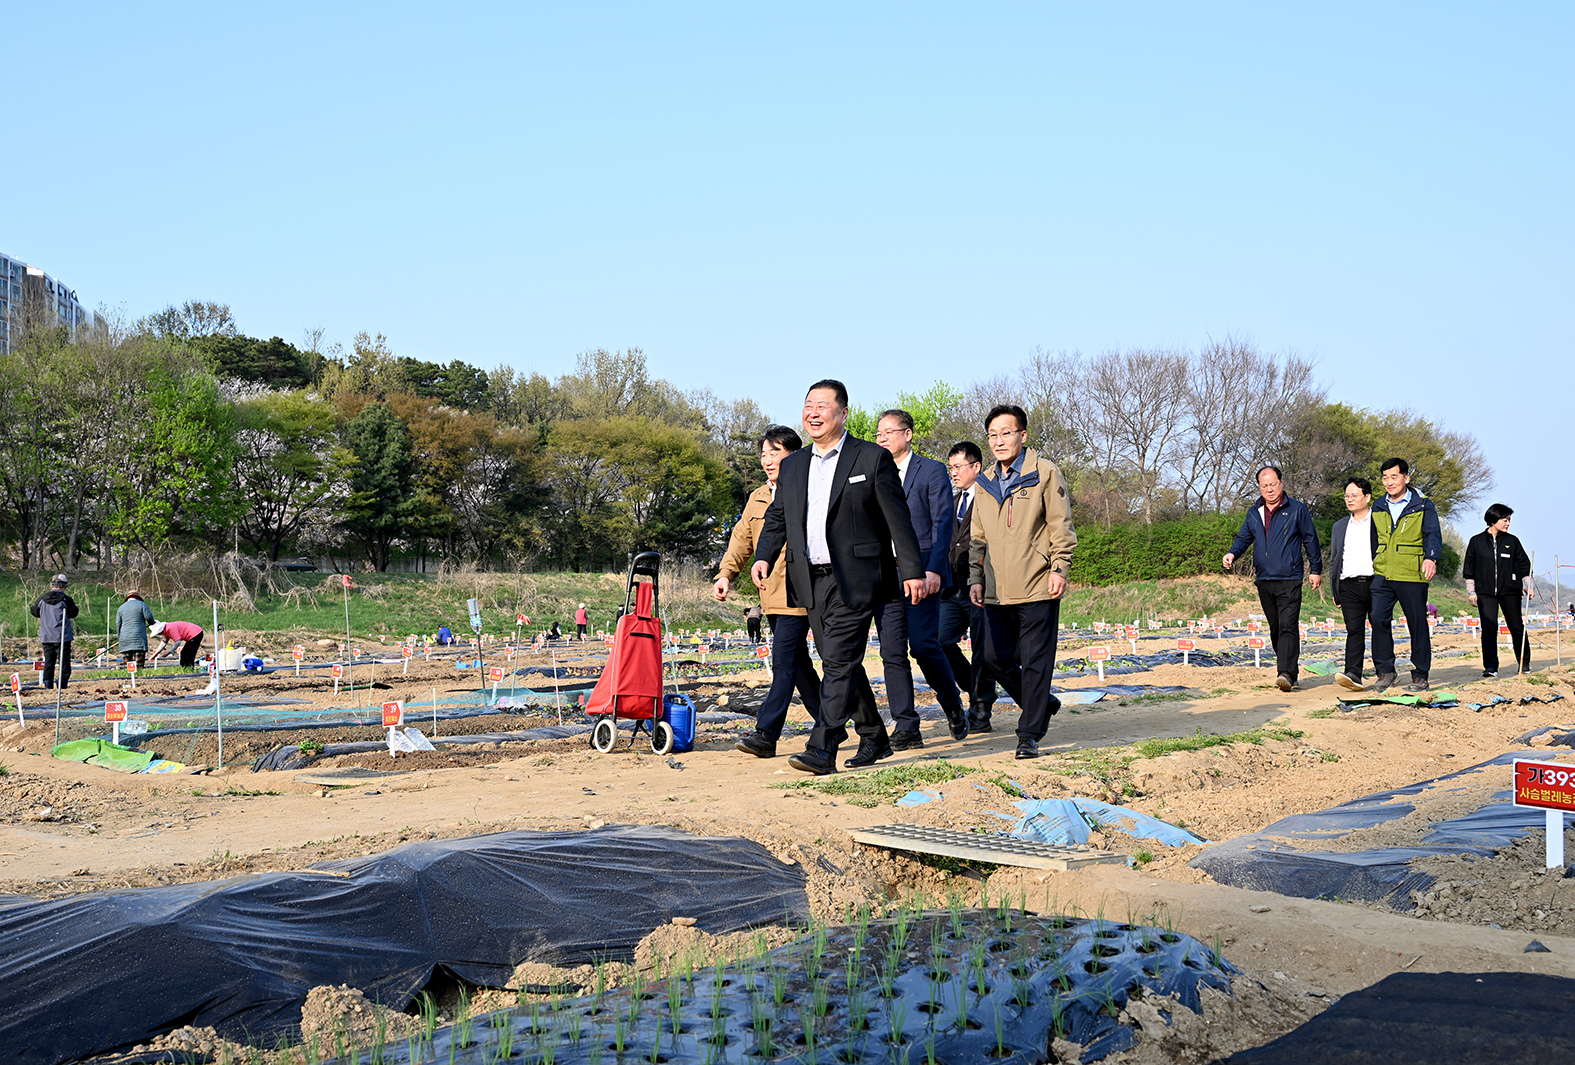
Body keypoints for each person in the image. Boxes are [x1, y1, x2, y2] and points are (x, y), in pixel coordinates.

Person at [752, 379, 926, 774]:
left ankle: (823, 747)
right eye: (807, 405)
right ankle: (875, 736)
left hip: (859, 576)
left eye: (822, 406)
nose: (812, 413)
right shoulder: (794, 465)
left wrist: (912, 570)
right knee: (841, 660)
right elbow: (778, 517)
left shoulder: (869, 458)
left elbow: (898, 520)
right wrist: (764, 556)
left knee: (837, 660)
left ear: (843, 413)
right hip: (810, 578)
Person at [968, 404, 1077, 760]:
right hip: (997, 589)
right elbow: (977, 538)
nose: (999, 441)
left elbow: (1061, 526)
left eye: (1007, 432)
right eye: (993, 435)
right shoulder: (983, 482)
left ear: (1023, 435)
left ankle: (1028, 733)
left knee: (1035, 661)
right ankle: (1042, 703)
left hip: (1037, 584)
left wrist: (1059, 568)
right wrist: (976, 578)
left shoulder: (1044, 473)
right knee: (994, 658)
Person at [715, 425, 823, 758]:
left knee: (784, 663)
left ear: (794, 455)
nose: (767, 460)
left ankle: (766, 733)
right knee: (798, 664)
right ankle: (828, 720)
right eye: (763, 454)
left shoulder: (811, 490)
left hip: (802, 591)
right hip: (770, 594)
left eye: (775, 452)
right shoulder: (758, 497)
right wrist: (725, 575)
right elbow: (741, 540)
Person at [873, 409, 969, 749]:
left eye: (889, 432)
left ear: (908, 434)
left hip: (923, 571)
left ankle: (953, 704)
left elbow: (943, 523)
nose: (882, 439)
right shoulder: (873, 472)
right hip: (887, 574)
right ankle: (906, 725)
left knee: (923, 645)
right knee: (891, 650)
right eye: (878, 434)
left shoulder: (930, 470)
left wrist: (931, 569)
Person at [1223, 466, 1323, 692]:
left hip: (1290, 577)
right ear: (1259, 487)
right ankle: (1291, 671)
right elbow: (1243, 538)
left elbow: (1310, 540)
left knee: (1288, 625)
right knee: (1276, 627)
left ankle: (1285, 673)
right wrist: (1232, 553)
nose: (1269, 489)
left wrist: (1315, 569)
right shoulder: (1254, 512)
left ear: (1281, 483)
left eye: (1273, 484)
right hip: (1264, 579)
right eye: (1264, 485)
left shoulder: (1297, 509)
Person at [1370, 457, 1443, 692]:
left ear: (1406, 478)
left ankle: (1420, 674)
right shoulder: (1378, 505)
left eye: (1394, 476)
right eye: (1385, 477)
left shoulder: (1422, 504)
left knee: (1417, 624)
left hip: (1412, 572)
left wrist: (1431, 558)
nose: (1389, 482)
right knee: (1378, 619)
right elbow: (1372, 538)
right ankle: (1385, 671)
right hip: (1383, 572)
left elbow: (1433, 533)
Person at [941, 441, 1000, 731]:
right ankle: (974, 690)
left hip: (982, 585)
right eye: (950, 467)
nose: (953, 473)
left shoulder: (990, 499)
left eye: (958, 467)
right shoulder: (950, 502)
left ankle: (980, 710)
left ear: (976, 467)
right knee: (939, 641)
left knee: (982, 649)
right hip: (951, 587)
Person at [1463, 503, 1533, 678]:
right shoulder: (1476, 541)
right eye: (1505, 519)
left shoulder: (1512, 541)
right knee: (1489, 627)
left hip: (1510, 591)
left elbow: (1525, 566)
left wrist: (1528, 585)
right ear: (1493, 520)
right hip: (1485, 592)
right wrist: (1471, 593)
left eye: (1509, 520)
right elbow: (1469, 570)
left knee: (1516, 626)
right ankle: (1491, 667)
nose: (1508, 523)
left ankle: (1524, 662)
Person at [1327, 477, 1377, 691]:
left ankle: (1386, 671)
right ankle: (1353, 674)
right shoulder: (1339, 526)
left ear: (1367, 497)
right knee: (1354, 630)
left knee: (1381, 628)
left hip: (1377, 583)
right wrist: (1335, 589)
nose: (1349, 500)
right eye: (1346, 496)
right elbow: (1334, 558)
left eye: (1354, 495)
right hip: (1348, 585)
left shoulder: (1380, 521)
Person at [30, 574, 78, 690]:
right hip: (62, 636)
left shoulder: (42, 599)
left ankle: (48, 687)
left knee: (49, 663)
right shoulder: (66, 599)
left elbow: (34, 612)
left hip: (46, 636)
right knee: (64, 663)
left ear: (51, 585)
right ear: (65, 586)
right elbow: (74, 613)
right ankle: (62, 686)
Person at [116, 591, 155, 669]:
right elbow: (149, 618)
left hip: (125, 639)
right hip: (138, 638)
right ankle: (139, 678)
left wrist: (120, 637)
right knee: (139, 665)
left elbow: (118, 625)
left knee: (128, 666)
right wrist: (151, 623)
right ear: (138, 598)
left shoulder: (121, 608)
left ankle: (128, 678)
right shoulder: (142, 605)